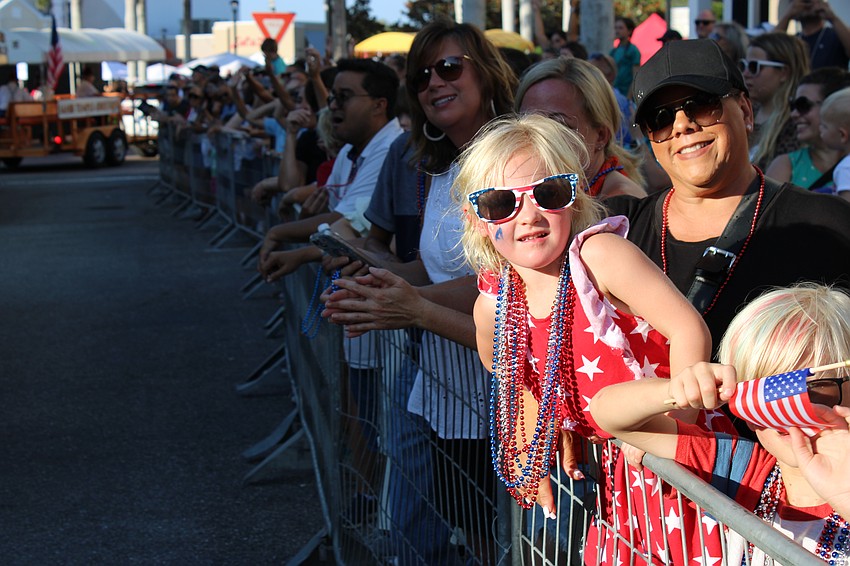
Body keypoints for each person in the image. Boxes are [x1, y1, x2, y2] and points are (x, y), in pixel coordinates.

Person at [454, 114, 716, 566]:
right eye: (500, 204)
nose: (529, 216)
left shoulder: (598, 257)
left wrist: (672, 431)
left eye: (548, 193)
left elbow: (690, 329)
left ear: (574, 199)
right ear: (477, 220)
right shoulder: (494, 303)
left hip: (679, 465)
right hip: (613, 484)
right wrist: (533, 440)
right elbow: (516, 376)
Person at [322, 19, 517, 564]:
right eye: (422, 75)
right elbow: (432, 271)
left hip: (502, 392)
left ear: (486, 74)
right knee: (474, 527)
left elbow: (506, 282)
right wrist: (374, 283)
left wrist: (410, 306)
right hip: (446, 390)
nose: (434, 82)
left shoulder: (510, 160)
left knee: (511, 540)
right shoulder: (441, 167)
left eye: (450, 67)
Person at [605, 37, 850, 398]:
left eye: (701, 106)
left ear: (746, 112)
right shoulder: (615, 230)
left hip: (785, 449)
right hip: (646, 450)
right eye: (660, 118)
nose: (682, 126)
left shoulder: (829, 225)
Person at [590, 283, 850, 565]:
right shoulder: (743, 469)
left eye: (816, 389)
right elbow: (607, 414)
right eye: (764, 395)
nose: (789, 411)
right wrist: (674, 393)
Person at [258, 58, 401, 281]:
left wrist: (279, 232)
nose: (333, 105)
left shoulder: (391, 149)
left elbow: (345, 222)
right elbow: (331, 213)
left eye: (344, 96)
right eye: (333, 96)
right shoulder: (348, 150)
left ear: (379, 105)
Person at [515, 57, 646, 198]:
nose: (538, 137)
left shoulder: (621, 204)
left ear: (601, 136)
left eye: (559, 126)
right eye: (527, 124)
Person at [766, 67, 850, 194]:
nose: (794, 114)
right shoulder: (786, 165)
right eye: (793, 106)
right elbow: (770, 213)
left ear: (833, 105)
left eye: (803, 105)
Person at [743, 32, 811, 169]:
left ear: (784, 73)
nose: (745, 73)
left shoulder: (796, 121)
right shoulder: (745, 113)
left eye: (754, 67)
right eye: (743, 65)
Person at [776, 0, 850, 71]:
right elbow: (770, 49)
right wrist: (788, 16)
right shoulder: (793, 42)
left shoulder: (835, 36)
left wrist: (833, 18)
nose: (806, 4)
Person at [819, 87, 850, 201]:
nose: (820, 129)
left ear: (842, 135)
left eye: (824, 126)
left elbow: (846, 210)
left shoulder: (846, 168)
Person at [610, 16, 640, 96]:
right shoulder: (613, 51)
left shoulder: (633, 51)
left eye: (621, 28)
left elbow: (636, 76)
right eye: (616, 28)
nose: (617, 31)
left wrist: (629, 97)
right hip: (614, 93)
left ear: (629, 31)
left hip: (626, 94)